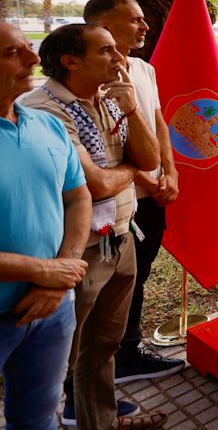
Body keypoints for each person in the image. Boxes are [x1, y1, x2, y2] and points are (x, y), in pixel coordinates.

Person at [22, 24, 164, 430]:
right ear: (70, 61)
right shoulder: (44, 109)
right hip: (78, 251)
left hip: (120, 238)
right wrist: (134, 168)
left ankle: (99, 421)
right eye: (106, 51)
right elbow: (97, 186)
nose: (119, 59)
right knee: (58, 357)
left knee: (103, 346)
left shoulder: (109, 99)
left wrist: (134, 111)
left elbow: (149, 158)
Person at [84, 0, 184, 383]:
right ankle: (106, 363)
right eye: (136, 20)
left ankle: (128, 351)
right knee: (107, 286)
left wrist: (170, 172)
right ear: (104, 23)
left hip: (154, 192)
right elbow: (108, 140)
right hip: (121, 200)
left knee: (137, 276)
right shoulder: (93, 75)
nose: (145, 27)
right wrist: (148, 178)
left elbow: (158, 122)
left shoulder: (143, 68)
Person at [0, 22, 91, 430]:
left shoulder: (46, 124)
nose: (35, 59)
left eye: (29, 48)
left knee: (37, 418)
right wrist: (44, 271)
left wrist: (61, 275)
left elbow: (78, 196)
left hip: (53, 310)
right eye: (12, 53)